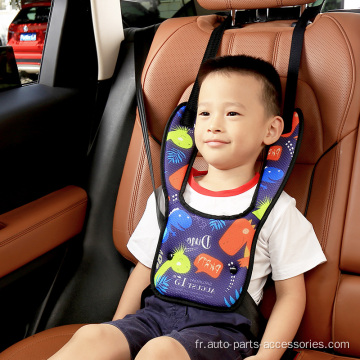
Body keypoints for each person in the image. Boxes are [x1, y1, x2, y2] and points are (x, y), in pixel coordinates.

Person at [48, 55, 326, 360]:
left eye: (232, 113)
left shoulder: (276, 209)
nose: (214, 125)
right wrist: (118, 327)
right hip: (153, 317)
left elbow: (290, 295)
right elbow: (145, 268)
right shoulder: (169, 197)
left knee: (159, 352)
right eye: (204, 113)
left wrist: (266, 357)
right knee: (93, 335)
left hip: (223, 331)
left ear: (271, 131)